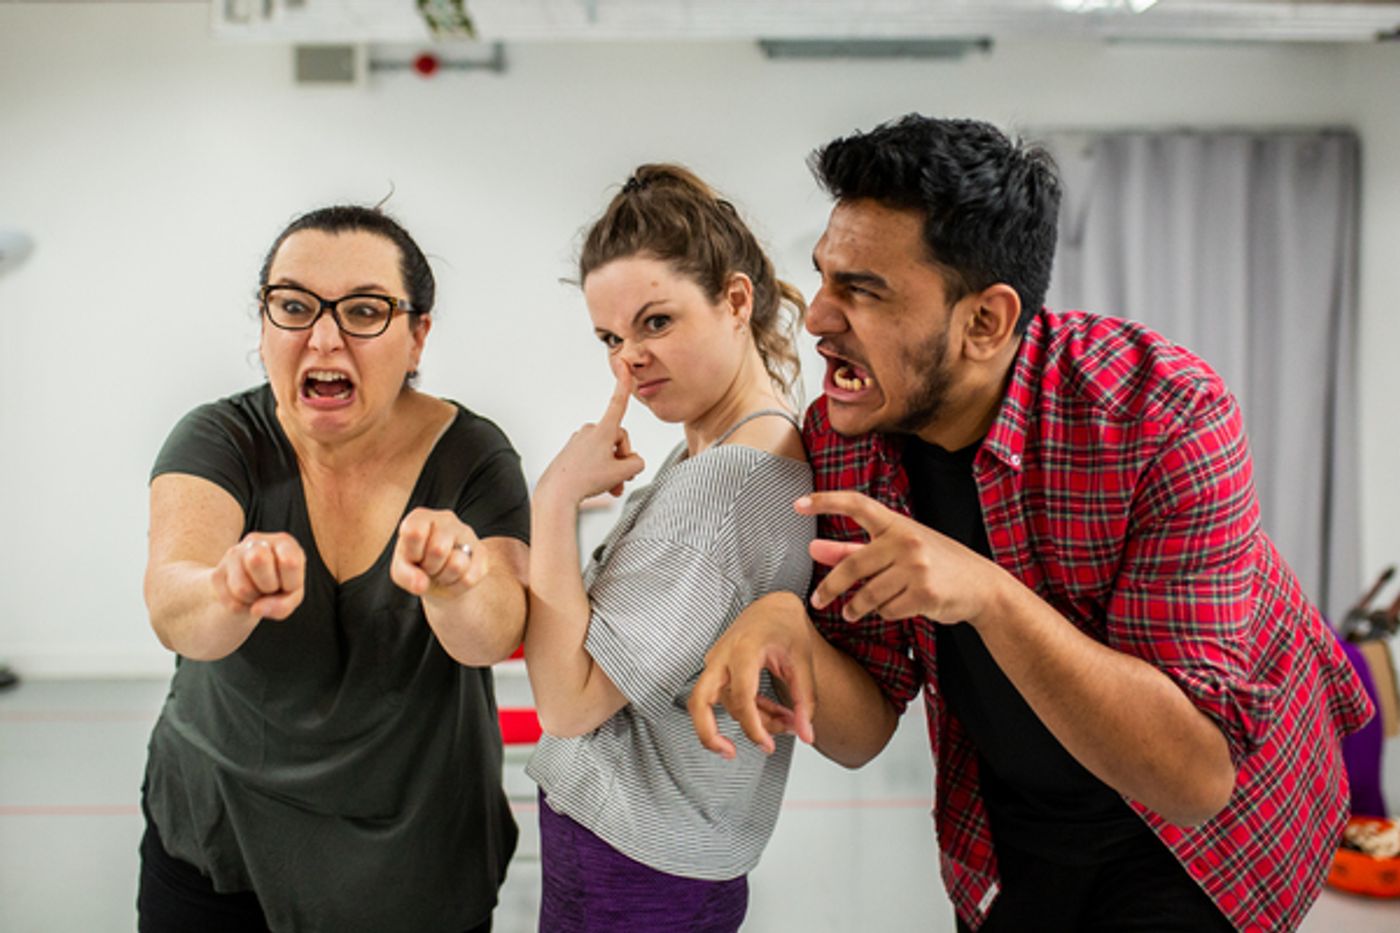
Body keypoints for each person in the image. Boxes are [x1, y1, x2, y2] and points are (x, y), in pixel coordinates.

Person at [688, 115, 1374, 932]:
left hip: (1205, 846)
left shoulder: (1163, 415)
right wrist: (783, 623)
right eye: (825, 278)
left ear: (985, 321)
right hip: (1014, 833)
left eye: (863, 289)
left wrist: (984, 592)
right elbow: (865, 721)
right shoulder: (847, 438)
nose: (818, 317)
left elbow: (1193, 778)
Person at [138, 205, 530, 933]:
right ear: (263, 328)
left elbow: (494, 630)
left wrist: (460, 580)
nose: (324, 337)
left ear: (418, 336)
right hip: (223, 845)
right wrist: (228, 587)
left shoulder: (475, 454)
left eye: (364, 311)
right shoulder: (218, 438)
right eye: (293, 306)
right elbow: (174, 603)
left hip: (417, 856)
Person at [523, 164, 814, 932]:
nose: (629, 360)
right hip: (669, 855)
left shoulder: (725, 486)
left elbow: (568, 701)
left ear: (737, 301)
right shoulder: (734, 450)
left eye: (657, 322)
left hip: (632, 861)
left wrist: (553, 499)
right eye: (611, 337)